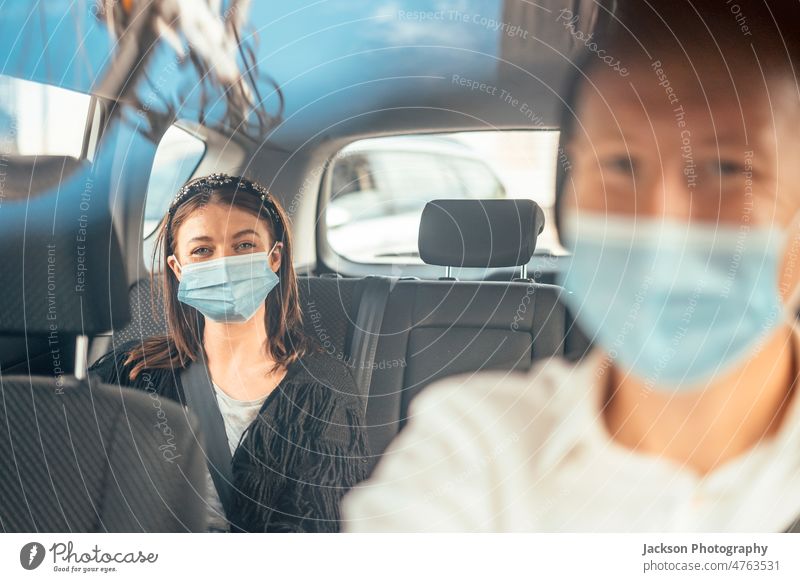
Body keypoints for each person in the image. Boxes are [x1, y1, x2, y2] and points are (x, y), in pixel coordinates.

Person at [341, 1, 800, 532]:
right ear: (566, 209)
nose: (662, 219)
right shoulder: (471, 447)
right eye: (621, 165)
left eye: (728, 168)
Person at [91, 173, 369, 532]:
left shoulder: (325, 390)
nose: (223, 264)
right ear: (178, 268)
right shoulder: (129, 371)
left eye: (243, 246)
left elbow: (318, 532)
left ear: (275, 257)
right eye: (202, 250)